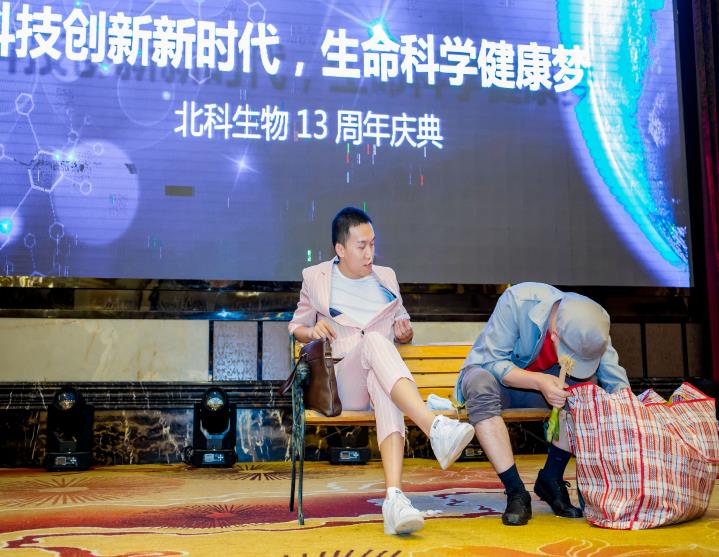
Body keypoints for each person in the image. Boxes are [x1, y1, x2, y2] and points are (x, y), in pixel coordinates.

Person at [289, 207, 475, 536]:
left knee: (385, 385)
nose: (370, 253)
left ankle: (394, 499)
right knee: (374, 340)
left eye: (373, 244)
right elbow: (296, 327)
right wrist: (312, 329)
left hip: (380, 380)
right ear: (340, 249)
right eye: (361, 246)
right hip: (344, 383)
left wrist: (405, 333)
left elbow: (402, 323)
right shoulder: (316, 277)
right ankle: (433, 427)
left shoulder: (386, 277)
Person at [455, 282, 630, 526]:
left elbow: (614, 379)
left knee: (583, 390)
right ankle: (516, 491)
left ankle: (551, 479)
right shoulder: (518, 300)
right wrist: (539, 381)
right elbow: (491, 362)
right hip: (499, 383)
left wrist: (631, 413)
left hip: (540, 390)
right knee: (479, 383)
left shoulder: (592, 321)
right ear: (555, 333)